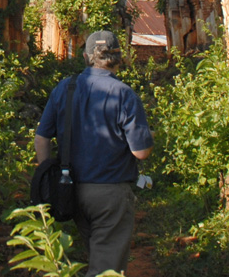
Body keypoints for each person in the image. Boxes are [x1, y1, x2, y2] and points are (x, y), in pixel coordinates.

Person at [34, 30, 154, 277]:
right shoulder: (124, 94)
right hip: (110, 192)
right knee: (106, 269)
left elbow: (42, 138)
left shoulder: (64, 88)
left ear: (87, 57)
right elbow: (141, 152)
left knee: (97, 256)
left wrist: (49, 177)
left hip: (70, 189)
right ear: (119, 58)